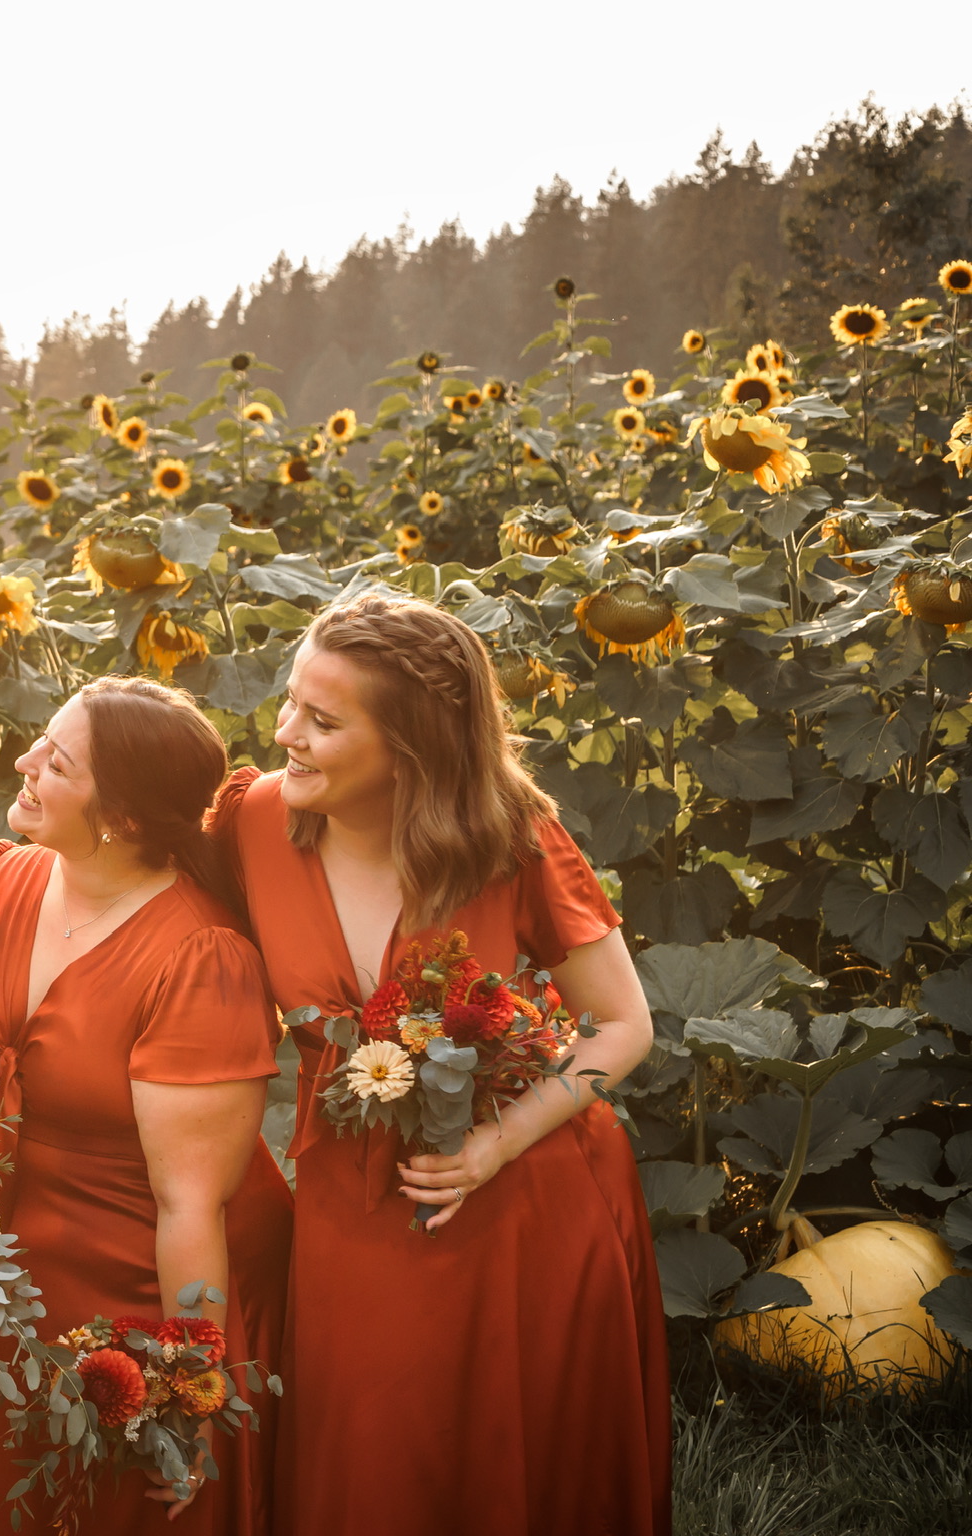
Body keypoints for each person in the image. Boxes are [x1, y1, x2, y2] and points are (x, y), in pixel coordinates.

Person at [219, 591, 668, 1536]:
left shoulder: (513, 839)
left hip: (523, 1198)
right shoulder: (255, 822)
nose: (285, 732)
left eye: (324, 720)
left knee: (516, 1473)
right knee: (367, 1461)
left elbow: (622, 1026)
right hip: (348, 1200)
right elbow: (116, 860)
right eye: (291, 701)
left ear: (411, 750)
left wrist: (496, 1145)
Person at [0, 676, 291, 1535]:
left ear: (120, 815)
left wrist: (187, 1393)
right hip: (14, 1264)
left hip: (144, 1280)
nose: (23, 763)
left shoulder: (201, 956)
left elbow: (189, 1202)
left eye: (56, 762)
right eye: (40, 743)